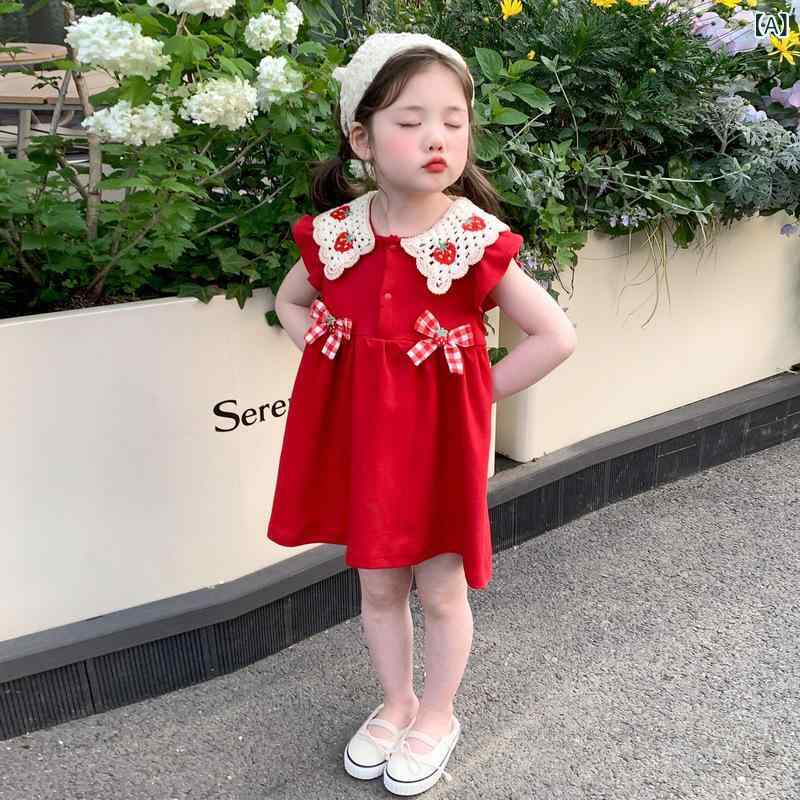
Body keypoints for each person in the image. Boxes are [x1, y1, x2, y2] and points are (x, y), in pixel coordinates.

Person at [266, 31, 577, 796]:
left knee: (439, 589)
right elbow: (290, 300)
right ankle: (396, 702)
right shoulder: (337, 235)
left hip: (436, 456)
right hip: (365, 452)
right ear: (361, 138)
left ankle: (437, 713)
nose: (436, 137)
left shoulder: (472, 240)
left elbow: (555, 336)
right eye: (410, 121)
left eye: (453, 120)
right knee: (377, 587)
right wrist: (329, 355)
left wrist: (473, 395)